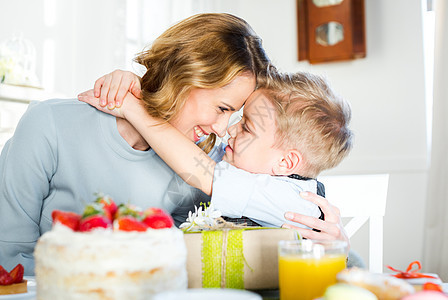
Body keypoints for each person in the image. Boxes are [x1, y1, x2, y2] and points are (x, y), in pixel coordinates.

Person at [0, 13, 270, 276]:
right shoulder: (49, 125)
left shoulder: (200, 164)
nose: (222, 130)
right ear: (185, 77)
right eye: (222, 108)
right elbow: (10, 260)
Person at [79, 69, 353, 228]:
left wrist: (133, 108)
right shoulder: (236, 158)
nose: (228, 130)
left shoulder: (291, 199)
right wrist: (140, 89)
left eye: (246, 127)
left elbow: (199, 171)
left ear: (286, 163)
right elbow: (183, 144)